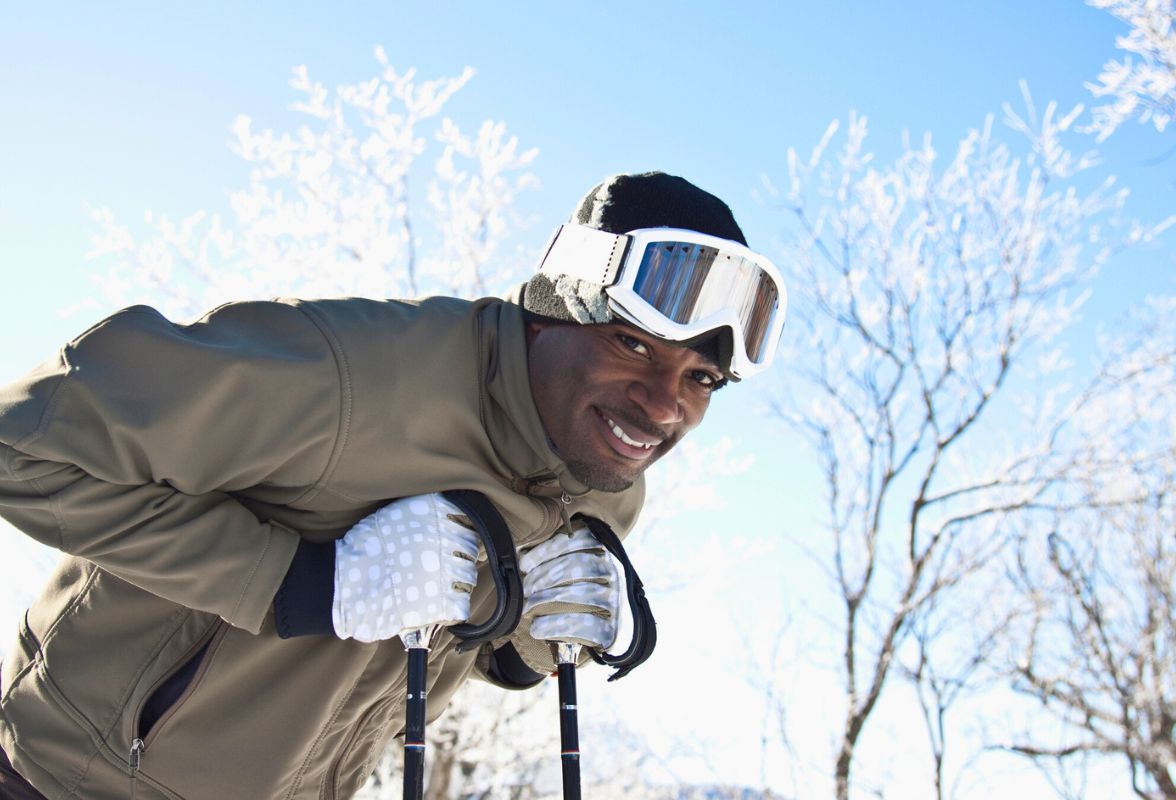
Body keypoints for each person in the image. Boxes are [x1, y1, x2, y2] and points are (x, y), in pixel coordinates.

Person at [0, 172, 786, 799]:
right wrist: (306, 580)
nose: (664, 406)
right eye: (633, 344)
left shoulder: (609, 480)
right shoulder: (350, 376)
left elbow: (471, 649)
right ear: (551, 313)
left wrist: (529, 642)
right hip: (64, 776)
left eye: (703, 379)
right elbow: (20, 448)